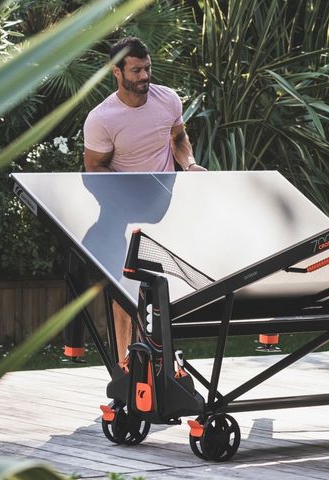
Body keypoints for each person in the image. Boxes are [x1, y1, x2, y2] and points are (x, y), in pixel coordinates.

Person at [83, 36, 206, 366]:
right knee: (126, 289)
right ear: (117, 72)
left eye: (147, 68)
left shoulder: (167, 99)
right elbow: (94, 166)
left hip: (166, 206)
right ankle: (126, 367)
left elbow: (178, 136)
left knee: (169, 288)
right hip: (124, 211)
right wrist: (124, 196)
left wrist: (190, 164)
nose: (144, 76)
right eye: (136, 70)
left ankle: (159, 361)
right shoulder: (102, 118)